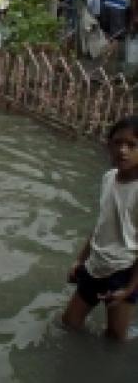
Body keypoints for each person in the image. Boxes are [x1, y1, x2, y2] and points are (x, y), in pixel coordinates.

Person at [62, 116, 138, 341]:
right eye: (117, 143)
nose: (123, 150)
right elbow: (101, 223)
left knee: (114, 338)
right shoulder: (109, 178)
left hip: (123, 271)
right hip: (96, 264)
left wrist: (130, 289)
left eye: (132, 145)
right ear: (109, 145)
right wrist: (79, 260)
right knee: (69, 323)